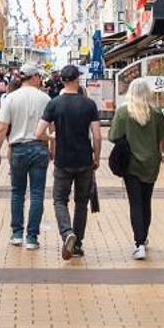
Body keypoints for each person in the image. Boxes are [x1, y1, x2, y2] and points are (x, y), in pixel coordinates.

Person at [37, 64, 102, 261]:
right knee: (81, 202)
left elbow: (38, 133)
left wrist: (53, 138)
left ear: (62, 81)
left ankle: (67, 233)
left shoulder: (54, 103)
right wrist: (96, 158)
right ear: (77, 79)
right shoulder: (89, 104)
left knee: (59, 200)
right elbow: (97, 136)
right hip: (84, 160)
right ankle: (77, 244)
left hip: (63, 161)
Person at [108, 77, 164, 259]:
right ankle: (144, 237)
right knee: (146, 201)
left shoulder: (123, 112)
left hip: (131, 164)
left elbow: (113, 136)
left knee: (135, 202)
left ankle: (139, 243)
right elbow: (163, 134)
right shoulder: (156, 114)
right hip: (151, 163)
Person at [0, 68, 51, 249]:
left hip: (18, 149)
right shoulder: (46, 99)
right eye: (39, 76)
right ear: (33, 77)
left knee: (17, 192)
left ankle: (17, 234)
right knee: (37, 193)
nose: (40, 79)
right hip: (40, 148)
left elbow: (2, 127)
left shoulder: (11, 98)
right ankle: (32, 238)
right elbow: (53, 127)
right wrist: (53, 149)